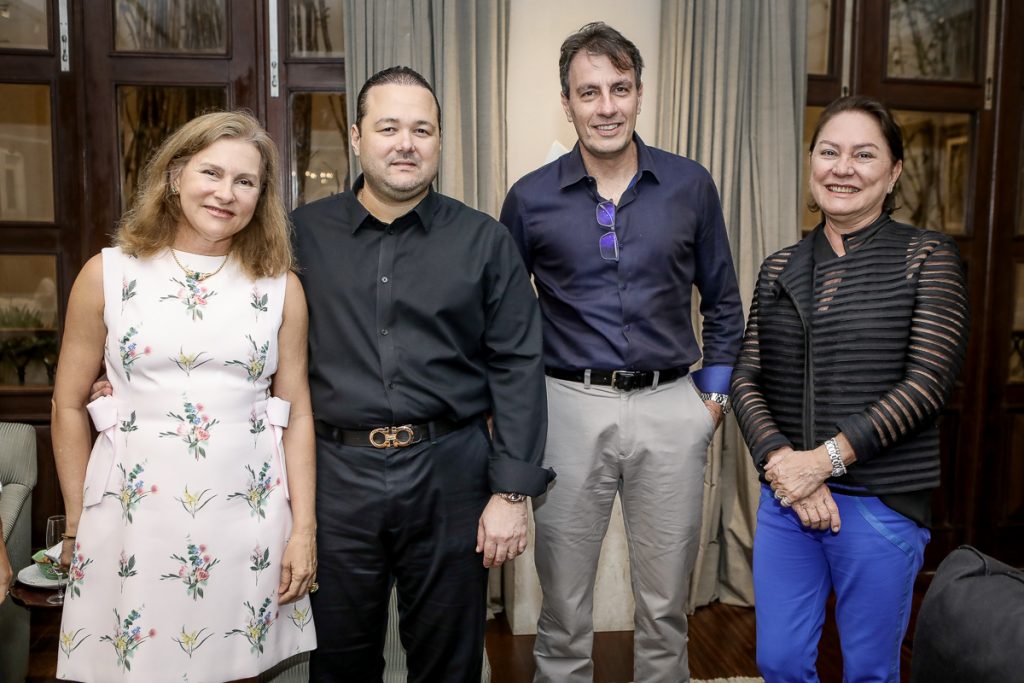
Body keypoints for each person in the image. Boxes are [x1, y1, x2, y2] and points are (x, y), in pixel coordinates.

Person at [290, 66, 552, 683]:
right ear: (356, 137)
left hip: (449, 473)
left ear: (438, 142)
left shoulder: (485, 242)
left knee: (449, 662)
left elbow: (518, 364)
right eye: (388, 127)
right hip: (335, 478)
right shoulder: (300, 236)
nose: (405, 143)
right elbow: (249, 337)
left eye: (421, 129)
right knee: (338, 660)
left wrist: (511, 493)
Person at [500, 22, 744, 682]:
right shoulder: (530, 198)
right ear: (568, 101)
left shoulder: (690, 185)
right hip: (567, 407)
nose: (606, 106)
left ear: (639, 95)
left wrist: (711, 401)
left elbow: (724, 299)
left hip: (674, 404)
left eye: (619, 88)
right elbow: (500, 320)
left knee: (666, 605)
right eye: (589, 92)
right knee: (565, 603)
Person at [51, 111, 317, 682]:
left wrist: (303, 531)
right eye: (211, 173)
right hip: (130, 521)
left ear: (260, 196)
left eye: (245, 182)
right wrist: (77, 524)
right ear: (174, 175)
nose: (226, 193)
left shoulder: (281, 288)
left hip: (245, 522)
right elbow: (68, 405)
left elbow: (296, 417)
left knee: (238, 670)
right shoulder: (106, 275)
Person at [730, 95, 970, 682]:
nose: (843, 168)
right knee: (779, 661)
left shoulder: (927, 256)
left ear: (893, 173)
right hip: (789, 501)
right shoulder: (780, 265)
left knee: (868, 670)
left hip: (880, 504)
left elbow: (929, 385)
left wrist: (826, 460)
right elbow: (746, 375)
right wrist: (785, 462)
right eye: (829, 152)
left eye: (864, 155)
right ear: (811, 165)